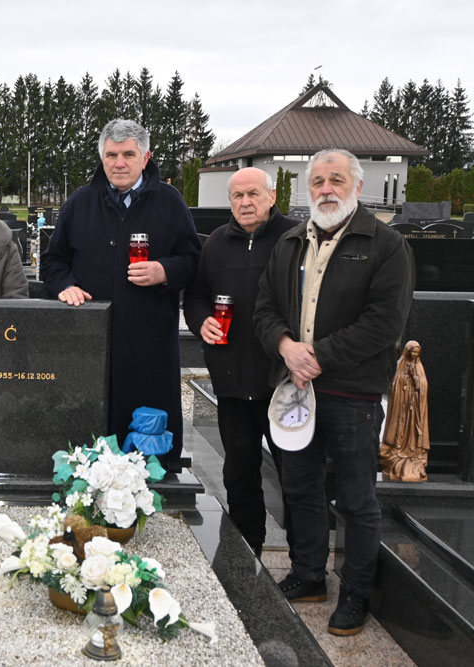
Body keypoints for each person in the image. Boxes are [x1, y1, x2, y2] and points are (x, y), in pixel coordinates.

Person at [255, 148, 414, 636]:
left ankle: (355, 595)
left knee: (356, 498)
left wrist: (317, 356)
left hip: (351, 394)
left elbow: (384, 322)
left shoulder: (385, 245)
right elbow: (264, 309)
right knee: (300, 488)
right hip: (296, 390)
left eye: (336, 180)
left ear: (357, 187)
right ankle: (308, 576)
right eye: (318, 181)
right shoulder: (289, 243)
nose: (326, 189)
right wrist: (286, 347)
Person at [41, 118, 200, 465]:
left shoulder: (170, 202)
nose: (119, 163)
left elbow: (192, 260)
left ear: (145, 158)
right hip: (90, 340)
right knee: (90, 431)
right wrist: (65, 285)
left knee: (147, 437)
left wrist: (164, 271)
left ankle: (148, 480)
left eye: (128, 154)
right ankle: (90, 479)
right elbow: (53, 261)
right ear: (102, 158)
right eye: (111, 155)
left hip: (149, 344)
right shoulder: (80, 202)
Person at [183, 167, 297, 556]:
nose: (245, 202)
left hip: (284, 381)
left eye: (253, 194)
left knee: (294, 478)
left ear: (272, 196)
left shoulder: (295, 238)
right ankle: (247, 557)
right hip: (232, 379)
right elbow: (196, 295)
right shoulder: (217, 242)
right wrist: (202, 321)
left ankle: (305, 567)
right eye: (237, 196)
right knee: (239, 474)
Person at [380, 340, 429, 482]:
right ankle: (397, 451)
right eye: (412, 352)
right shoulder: (399, 365)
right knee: (399, 430)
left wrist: (416, 379)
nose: (414, 355)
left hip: (414, 409)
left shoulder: (418, 367)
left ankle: (413, 454)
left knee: (412, 431)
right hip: (401, 407)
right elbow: (394, 383)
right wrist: (404, 382)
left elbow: (423, 385)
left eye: (417, 353)